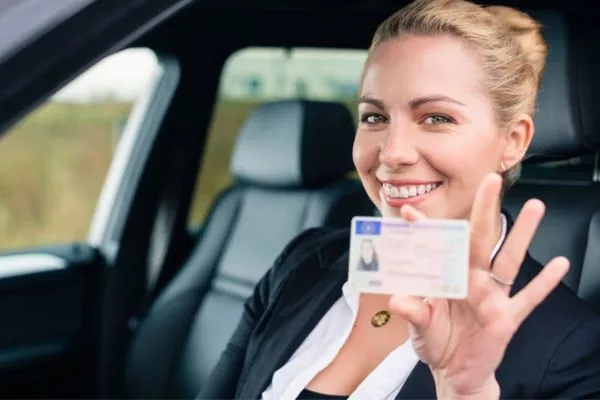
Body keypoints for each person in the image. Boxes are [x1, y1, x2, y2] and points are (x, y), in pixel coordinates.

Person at [197, 0, 600, 398]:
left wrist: (466, 394)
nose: (392, 152)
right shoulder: (302, 263)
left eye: (436, 118)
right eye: (375, 117)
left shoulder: (573, 347)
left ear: (512, 141)